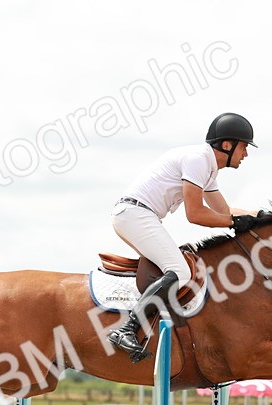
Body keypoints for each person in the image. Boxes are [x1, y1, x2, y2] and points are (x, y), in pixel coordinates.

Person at [107, 112, 260, 361]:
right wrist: (234, 221)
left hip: (138, 215)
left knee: (177, 268)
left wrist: (259, 216)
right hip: (135, 214)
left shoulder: (208, 168)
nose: (246, 154)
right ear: (227, 145)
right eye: (244, 147)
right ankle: (127, 329)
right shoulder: (198, 160)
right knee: (180, 272)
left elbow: (223, 211)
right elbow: (196, 214)